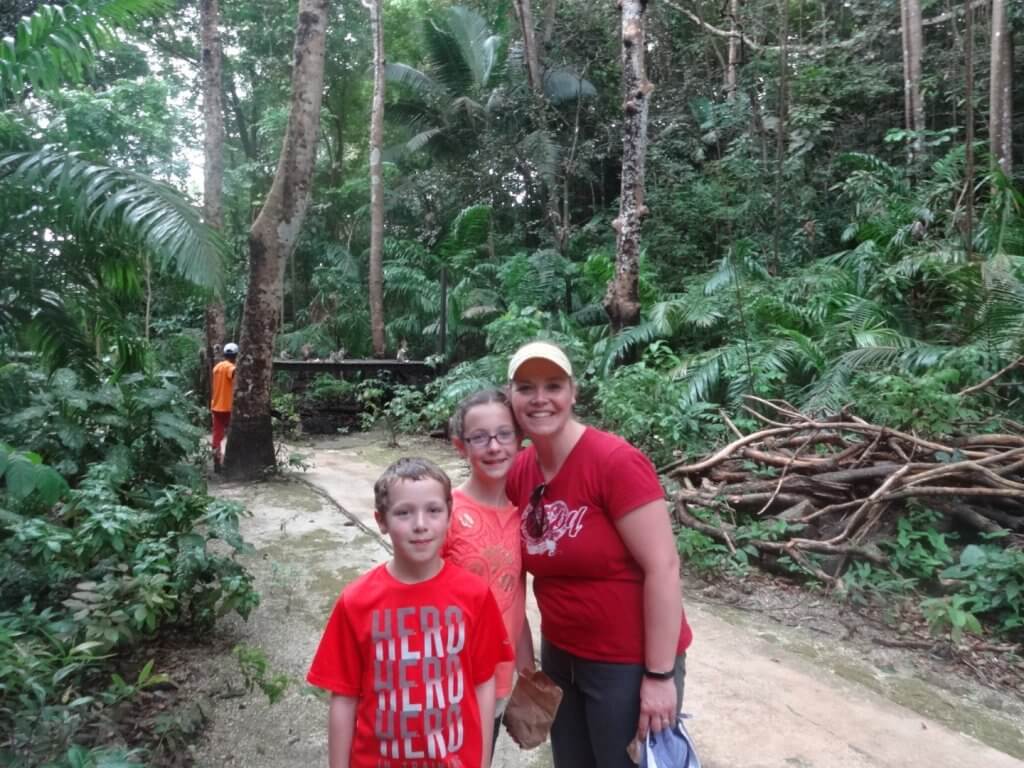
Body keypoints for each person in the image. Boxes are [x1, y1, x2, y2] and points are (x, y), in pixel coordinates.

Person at [504, 340, 693, 768]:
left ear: (573, 393)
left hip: (626, 663)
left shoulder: (613, 462)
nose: (540, 399)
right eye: (526, 387)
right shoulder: (520, 470)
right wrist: (524, 660)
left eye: (553, 386)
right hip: (560, 660)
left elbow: (663, 566)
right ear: (510, 397)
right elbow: (506, 566)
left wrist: (660, 676)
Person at [307, 457, 514, 768]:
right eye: (404, 513)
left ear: (449, 516)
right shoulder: (356, 601)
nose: (420, 524)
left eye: (433, 510)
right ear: (381, 520)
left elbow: (483, 683)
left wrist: (482, 762)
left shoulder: (475, 595)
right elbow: (344, 698)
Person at [444, 389, 535, 751]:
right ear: (460, 446)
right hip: (446, 682)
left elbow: (513, 598)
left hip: (496, 683)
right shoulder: (444, 512)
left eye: (504, 434)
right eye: (479, 437)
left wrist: (527, 675)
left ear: (519, 440)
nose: (494, 446)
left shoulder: (521, 515)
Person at [210, 342, 238, 471]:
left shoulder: (217, 367)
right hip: (228, 407)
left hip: (216, 407)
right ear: (235, 356)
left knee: (217, 435)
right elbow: (233, 373)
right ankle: (230, 460)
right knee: (233, 434)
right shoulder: (230, 367)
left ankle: (217, 460)